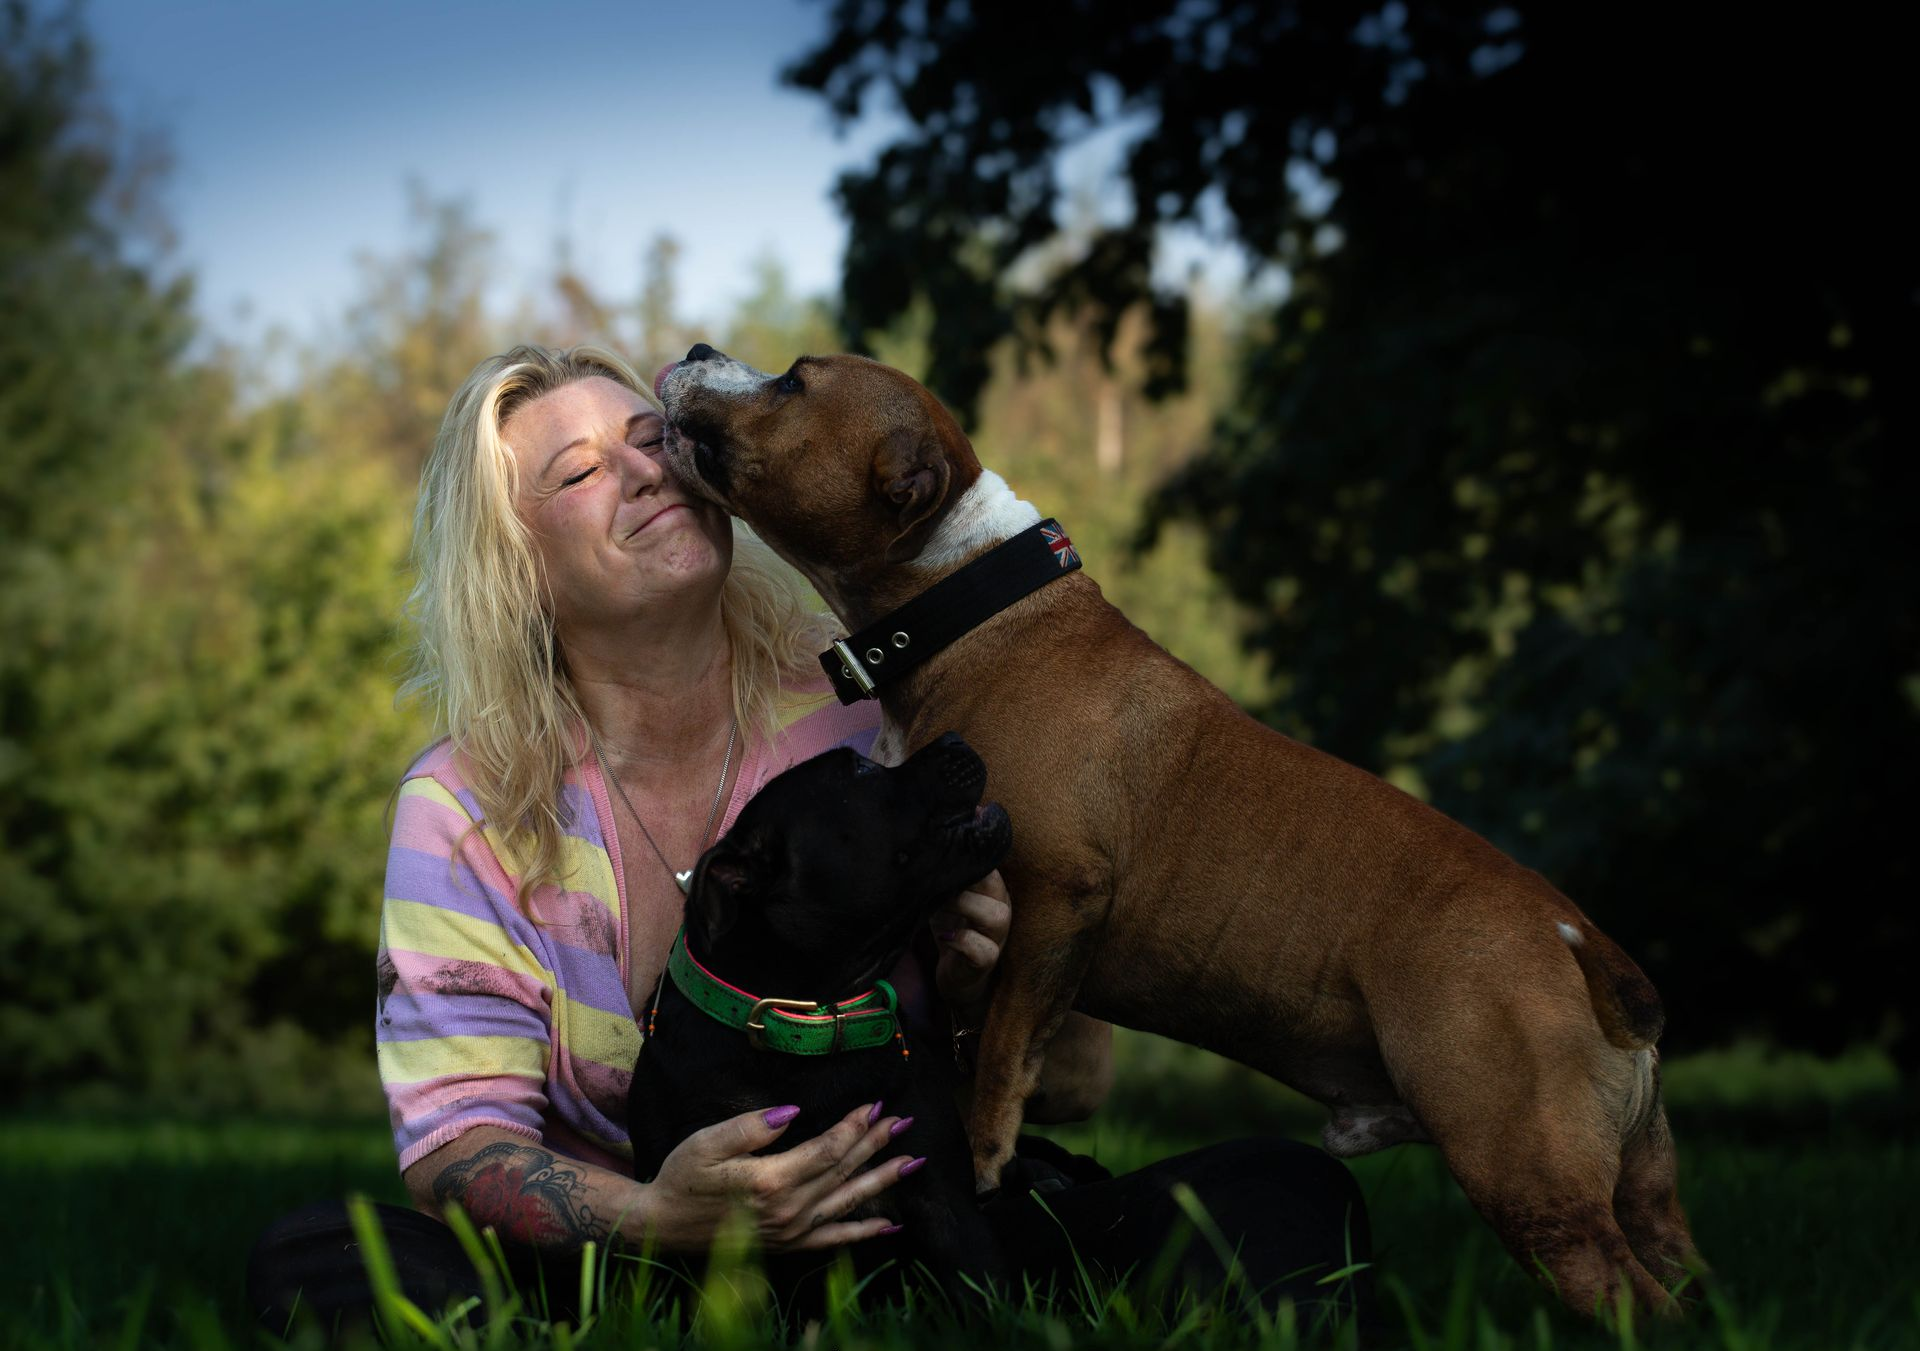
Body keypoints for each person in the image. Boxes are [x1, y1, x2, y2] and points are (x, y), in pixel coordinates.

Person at [246, 344, 1371, 1333]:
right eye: (580, 472)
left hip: (923, 1232)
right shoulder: (465, 805)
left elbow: (1070, 1087)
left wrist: (993, 987)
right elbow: (456, 1147)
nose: (647, 467)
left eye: (652, 438)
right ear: (514, 564)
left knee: (1280, 1195)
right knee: (327, 1259)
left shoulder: (879, 714)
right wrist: (663, 1214)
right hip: (637, 1265)